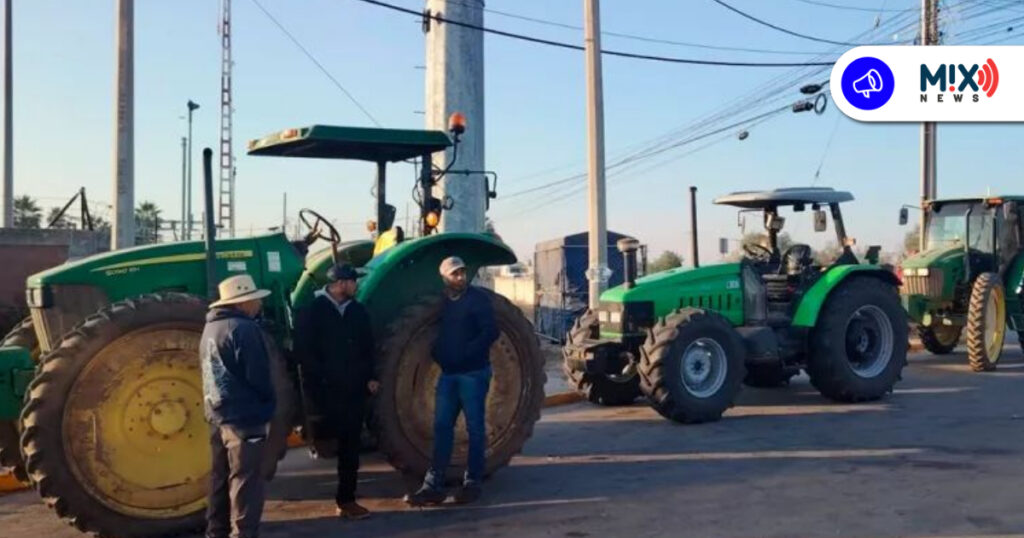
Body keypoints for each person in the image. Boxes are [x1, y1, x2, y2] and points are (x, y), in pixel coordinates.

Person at [405, 256, 499, 507]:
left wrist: (467, 353)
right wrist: (440, 355)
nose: (460, 277)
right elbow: (438, 333)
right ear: (444, 277)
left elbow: (491, 331)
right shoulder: (444, 303)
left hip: (473, 374)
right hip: (449, 375)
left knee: (475, 429)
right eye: (455, 273)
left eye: (462, 272)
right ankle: (432, 486)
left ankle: (472, 483)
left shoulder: (477, 299)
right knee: (442, 428)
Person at [295, 263, 378, 520]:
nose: (357, 286)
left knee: (350, 447)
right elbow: (304, 353)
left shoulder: (358, 312)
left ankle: (346, 500)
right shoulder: (314, 311)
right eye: (354, 281)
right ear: (341, 283)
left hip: (354, 390)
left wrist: (371, 376)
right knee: (331, 442)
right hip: (326, 391)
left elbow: (369, 346)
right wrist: (323, 380)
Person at [200, 274, 276, 538]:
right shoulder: (244, 329)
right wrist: (268, 402)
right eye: (255, 300)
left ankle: (216, 531)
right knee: (247, 481)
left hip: (218, 414)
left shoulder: (211, 328)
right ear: (242, 303)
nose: (258, 305)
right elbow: (258, 374)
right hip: (245, 416)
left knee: (221, 478)